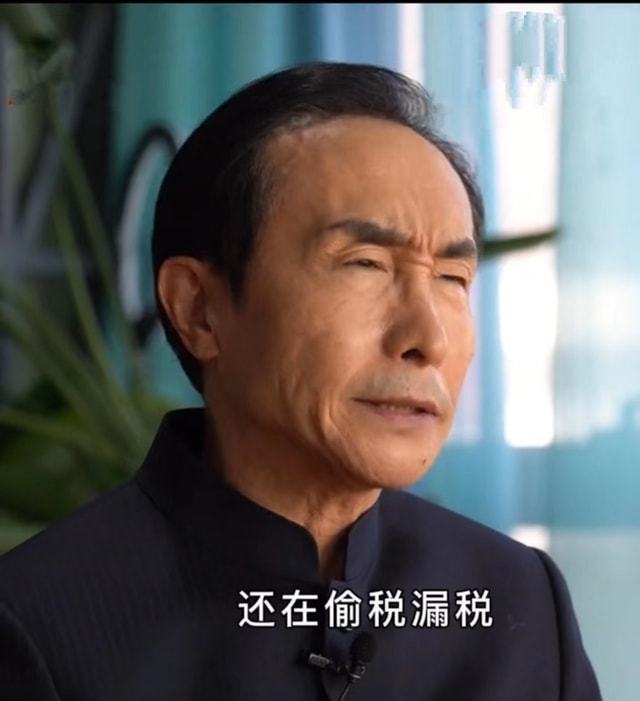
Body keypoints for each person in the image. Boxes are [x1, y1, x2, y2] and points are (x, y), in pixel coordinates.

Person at [0, 62, 601, 700]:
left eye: (452, 279)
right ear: (200, 309)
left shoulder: (519, 601)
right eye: (365, 264)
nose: (429, 338)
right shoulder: (38, 625)